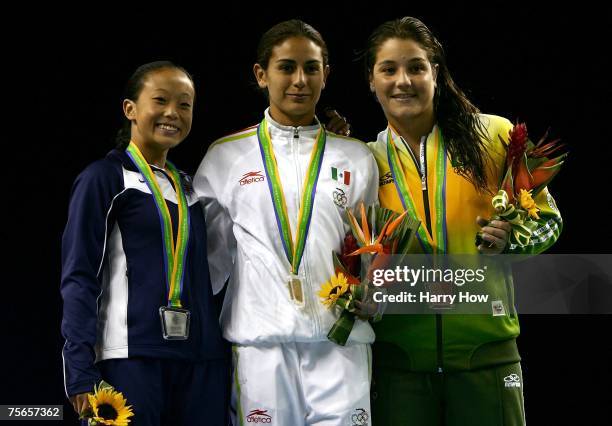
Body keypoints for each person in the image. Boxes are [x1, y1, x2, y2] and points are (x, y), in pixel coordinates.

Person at [364, 17, 562, 425]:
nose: (404, 80)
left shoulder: (492, 136)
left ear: (435, 72)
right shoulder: (363, 160)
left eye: (416, 67)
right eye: (389, 69)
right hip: (398, 366)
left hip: (487, 359)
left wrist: (513, 241)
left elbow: (549, 220)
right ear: (372, 81)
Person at [194, 20, 378, 426]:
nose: (299, 80)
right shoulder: (225, 157)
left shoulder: (356, 157)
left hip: (341, 344)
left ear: (326, 75)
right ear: (261, 75)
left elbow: (372, 249)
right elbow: (207, 259)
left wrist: (374, 297)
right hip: (262, 347)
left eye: (311, 68)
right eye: (286, 67)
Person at [60, 61, 229, 425]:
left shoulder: (191, 187)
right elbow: (79, 276)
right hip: (130, 357)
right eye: (161, 100)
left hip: (200, 362)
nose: (173, 113)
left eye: (185, 104)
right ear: (130, 109)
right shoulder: (103, 179)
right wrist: (78, 369)